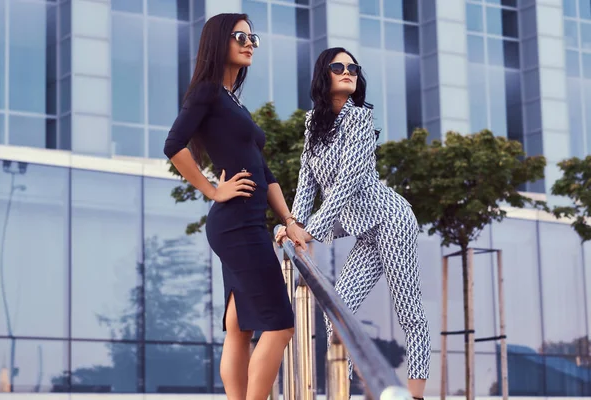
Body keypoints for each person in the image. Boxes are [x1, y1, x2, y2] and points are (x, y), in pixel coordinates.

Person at [276, 47, 430, 399]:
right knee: (337, 312)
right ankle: (342, 392)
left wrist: (310, 230)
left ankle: (416, 394)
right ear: (323, 74)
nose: (347, 71)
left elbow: (347, 182)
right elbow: (307, 181)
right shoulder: (312, 123)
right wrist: (293, 223)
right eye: (338, 66)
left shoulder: (360, 120)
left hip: (391, 219)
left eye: (353, 68)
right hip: (366, 231)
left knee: (409, 310)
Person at [163, 13, 295, 400]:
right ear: (218, 41)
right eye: (240, 36)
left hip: (247, 222)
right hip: (236, 222)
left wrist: (289, 219)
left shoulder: (231, 101)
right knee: (281, 325)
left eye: (253, 37)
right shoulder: (206, 91)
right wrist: (212, 190)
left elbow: (265, 173)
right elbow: (173, 145)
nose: (249, 42)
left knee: (241, 328)